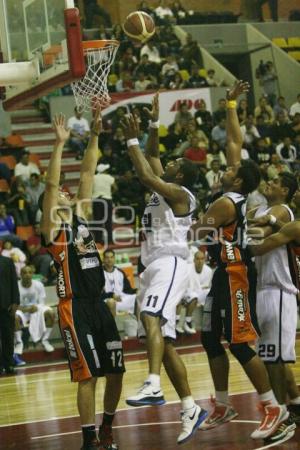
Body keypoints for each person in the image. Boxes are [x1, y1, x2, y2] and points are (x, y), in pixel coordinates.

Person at [191, 81, 286, 440]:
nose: (224, 168)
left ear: (238, 179)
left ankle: (272, 406)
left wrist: (186, 215)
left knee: (241, 343)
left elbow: (195, 233)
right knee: (210, 339)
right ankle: (222, 402)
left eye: (230, 170)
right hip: (222, 274)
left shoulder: (226, 202)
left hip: (234, 274)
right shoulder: (235, 190)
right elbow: (234, 143)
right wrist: (230, 103)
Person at [121, 93, 208, 445]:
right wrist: (154, 125)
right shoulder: (169, 186)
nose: (167, 162)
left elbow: (145, 171)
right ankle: (190, 407)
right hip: (154, 265)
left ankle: (154, 385)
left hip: (171, 262)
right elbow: (154, 156)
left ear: (180, 173)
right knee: (164, 341)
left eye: (174, 162)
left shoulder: (179, 193)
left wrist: (130, 139)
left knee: (151, 317)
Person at [39, 111, 124, 450]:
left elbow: (88, 170)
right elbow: (49, 185)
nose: (64, 191)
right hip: (74, 309)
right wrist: (59, 145)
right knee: (87, 375)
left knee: (116, 372)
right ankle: (89, 439)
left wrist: (94, 135)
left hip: (98, 305)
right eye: (60, 191)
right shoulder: (53, 229)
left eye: (65, 190)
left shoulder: (82, 217)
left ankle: (107, 427)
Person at [246, 173, 299, 442]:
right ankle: (296, 407)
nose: (270, 181)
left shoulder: (284, 211)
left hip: (280, 290)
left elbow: (255, 243)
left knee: (273, 359)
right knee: (271, 357)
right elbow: (251, 227)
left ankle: (281, 417)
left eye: (276, 181)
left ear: (286, 190)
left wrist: (246, 229)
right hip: (263, 289)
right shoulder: (262, 210)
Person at [14, 265, 55, 364]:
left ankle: (45, 340)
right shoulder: (16, 286)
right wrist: (26, 309)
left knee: (50, 312)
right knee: (14, 317)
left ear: (32, 274)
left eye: (29, 272)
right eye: (24, 273)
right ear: (20, 275)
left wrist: (36, 308)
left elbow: (42, 302)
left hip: (36, 309)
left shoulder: (39, 285)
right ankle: (19, 343)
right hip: (21, 311)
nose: (27, 275)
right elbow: (14, 306)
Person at [176, 249, 213, 334]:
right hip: (187, 292)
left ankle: (208, 323)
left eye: (202, 259)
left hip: (198, 292)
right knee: (193, 296)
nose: (200, 261)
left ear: (205, 260)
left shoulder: (208, 271)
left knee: (211, 293)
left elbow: (206, 287)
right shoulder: (187, 268)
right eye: (198, 259)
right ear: (194, 260)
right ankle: (187, 322)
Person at [102, 249, 138, 318]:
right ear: (103, 259)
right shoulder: (99, 274)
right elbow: (99, 294)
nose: (109, 260)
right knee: (111, 302)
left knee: (138, 297)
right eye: (107, 257)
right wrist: (112, 295)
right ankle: (113, 327)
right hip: (107, 299)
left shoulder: (120, 272)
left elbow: (127, 289)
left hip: (121, 298)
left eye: (112, 257)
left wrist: (136, 291)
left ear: (114, 258)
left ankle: (138, 324)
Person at [0, 254, 20, 375]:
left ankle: (8, 364)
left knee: (8, 336)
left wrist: (15, 302)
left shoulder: (7, 261)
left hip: (6, 305)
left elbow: (14, 282)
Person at [92, 163, 116, 244]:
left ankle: (98, 240)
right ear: (104, 170)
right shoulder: (109, 177)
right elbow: (115, 188)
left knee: (97, 221)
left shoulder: (93, 178)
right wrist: (109, 193)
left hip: (96, 200)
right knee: (108, 221)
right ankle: (110, 240)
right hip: (107, 200)